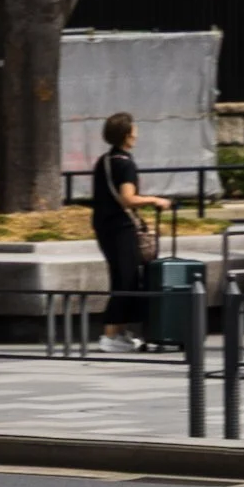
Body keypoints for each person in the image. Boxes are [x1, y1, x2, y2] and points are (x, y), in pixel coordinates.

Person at [92, 111, 171, 354]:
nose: (137, 134)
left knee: (122, 277)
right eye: (134, 131)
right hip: (121, 229)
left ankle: (120, 332)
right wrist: (155, 200)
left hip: (104, 226)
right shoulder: (125, 163)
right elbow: (128, 198)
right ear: (126, 135)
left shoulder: (104, 161)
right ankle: (110, 335)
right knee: (125, 280)